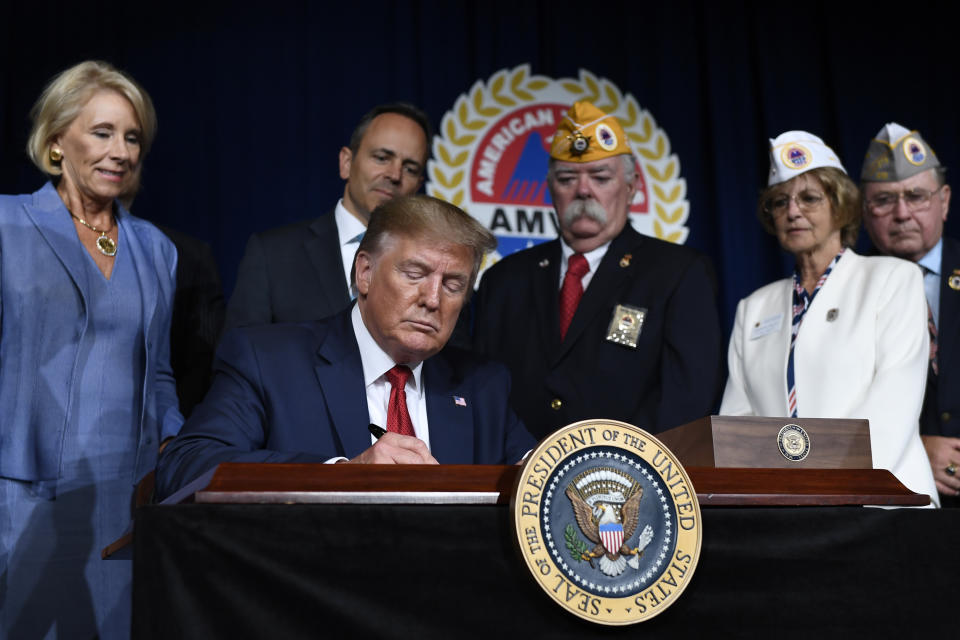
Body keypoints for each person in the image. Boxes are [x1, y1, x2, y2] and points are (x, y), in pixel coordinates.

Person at [156, 195, 534, 499]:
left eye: (453, 285)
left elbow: (539, 474)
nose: (432, 299)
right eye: (415, 274)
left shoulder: (483, 386)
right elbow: (186, 466)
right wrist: (340, 475)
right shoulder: (267, 361)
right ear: (365, 273)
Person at [0, 60, 182, 637]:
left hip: (125, 497)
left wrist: (172, 453)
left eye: (132, 137)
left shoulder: (156, 249)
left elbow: (159, 375)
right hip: (21, 490)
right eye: (102, 133)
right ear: (57, 141)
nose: (121, 151)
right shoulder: (6, 225)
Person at [473, 101, 723, 439]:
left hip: (630, 480)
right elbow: (481, 392)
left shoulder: (677, 273)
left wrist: (620, 469)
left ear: (632, 186)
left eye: (600, 177)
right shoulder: (504, 280)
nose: (583, 190)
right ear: (550, 189)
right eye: (567, 178)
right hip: (519, 478)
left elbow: (686, 400)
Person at [720, 130, 937, 505]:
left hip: (881, 502)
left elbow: (893, 405)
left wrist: (819, 487)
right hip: (782, 512)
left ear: (840, 205)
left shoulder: (892, 279)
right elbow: (738, 424)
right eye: (780, 202)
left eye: (809, 198)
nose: (792, 211)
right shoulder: (754, 307)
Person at [224, 102, 431, 330]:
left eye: (410, 168)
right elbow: (239, 357)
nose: (394, 175)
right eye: (382, 157)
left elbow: (451, 362)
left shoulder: (433, 267)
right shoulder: (273, 255)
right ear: (346, 162)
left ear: (419, 186)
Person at [860, 123, 959, 505]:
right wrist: (915, 448)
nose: (902, 213)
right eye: (884, 200)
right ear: (864, 212)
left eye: (916, 196)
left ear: (945, 201)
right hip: (891, 501)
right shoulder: (843, 292)